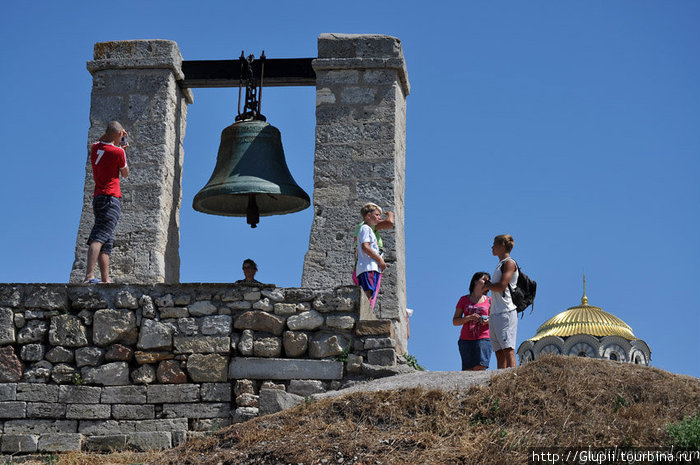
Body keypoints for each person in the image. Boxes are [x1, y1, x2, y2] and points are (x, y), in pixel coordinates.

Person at [84, 121, 129, 284]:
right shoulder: (118, 152)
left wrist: (116, 136)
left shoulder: (95, 148)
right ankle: (89, 276)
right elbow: (125, 173)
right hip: (111, 198)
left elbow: (103, 139)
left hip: (98, 197)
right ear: (119, 134)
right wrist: (122, 146)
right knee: (99, 236)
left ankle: (105, 279)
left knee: (107, 240)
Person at [482, 234, 519, 369]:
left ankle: (512, 377)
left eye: (494, 244)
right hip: (496, 312)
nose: (492, 247)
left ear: (502, 246)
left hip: (506, 311)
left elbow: (502, 285)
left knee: (508, 349)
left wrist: (487, 286)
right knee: (498, 351)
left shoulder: (509, 263)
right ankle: (501, 378)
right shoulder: (500, 264)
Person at [453, 272, 492, 371]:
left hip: (484, 337)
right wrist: (468, 318)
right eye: (484, 279)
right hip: (465, 339)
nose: (486, 282)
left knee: (480, 367)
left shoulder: (490, 300)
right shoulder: (463, 299)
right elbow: (455, 321)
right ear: (475, 281)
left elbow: (495, 319)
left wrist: (486, 321)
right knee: (468, 370)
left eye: (488, 280)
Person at [355, 203, 389, 308]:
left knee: (369, 293)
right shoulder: (366, 228)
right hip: (369, 266)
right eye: (377, 215)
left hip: (369, 267)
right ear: (368, 215)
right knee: (368, 293)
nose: (379, 217)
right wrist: (380, 260)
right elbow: (365, 246)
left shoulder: (368, 229)